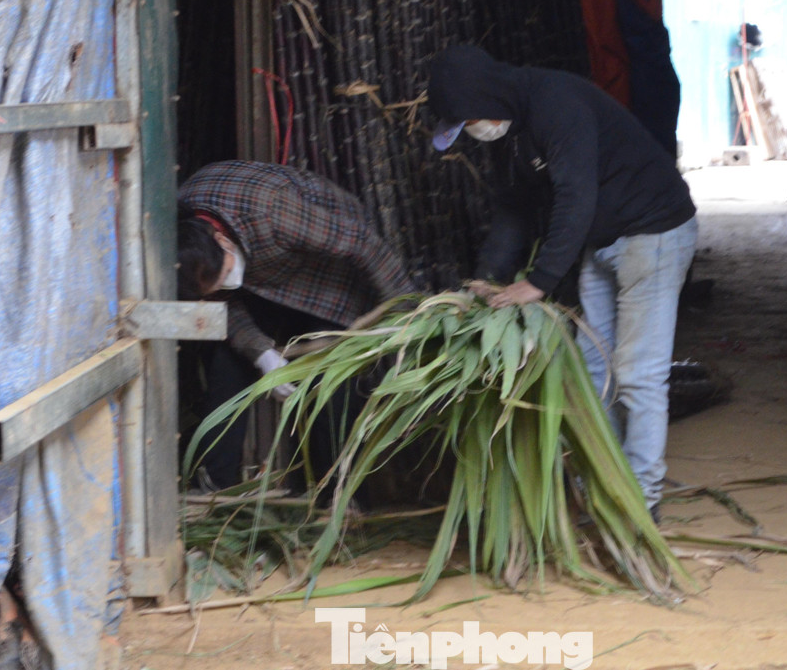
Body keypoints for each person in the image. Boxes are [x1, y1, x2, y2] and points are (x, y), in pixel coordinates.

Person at [426, 44, 698, 518]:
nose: (474, 134)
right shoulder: (509, 130)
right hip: (604, 241)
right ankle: (606, 486)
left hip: (653, 235)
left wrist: (538, 282)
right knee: (594, 372)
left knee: (638, 376)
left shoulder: (557, 103)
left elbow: (576, 194)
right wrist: (488, 282)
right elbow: (513, 209)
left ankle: (640, 503)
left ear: (483, 97)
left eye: (468, 123)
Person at [177, 161, 416, 489]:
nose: (224, 284)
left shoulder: (274, 211)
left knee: (333, 378)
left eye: (223, 276)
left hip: (330, 269)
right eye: (216, 285)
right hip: (264, 272)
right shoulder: (182, 238)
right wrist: (263, 354)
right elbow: (222, 305)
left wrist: (411, 312)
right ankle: (215, 487)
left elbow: (364, 245)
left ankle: (336, 497)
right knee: (226, 363)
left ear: (222, 240)